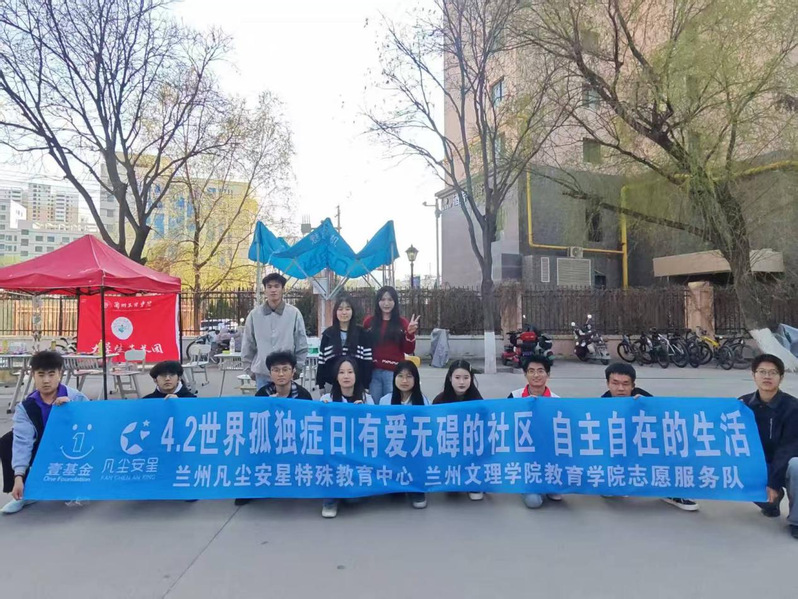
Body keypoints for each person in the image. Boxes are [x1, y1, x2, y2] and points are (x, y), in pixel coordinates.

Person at [602, 362, 699, 512]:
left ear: (633, 386)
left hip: (644, 445)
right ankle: (611, 482)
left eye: (625, 384)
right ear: (608, 384)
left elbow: (666, 421)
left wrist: (649, 407)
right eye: (615, 383)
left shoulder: (643, 398)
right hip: (618, 450)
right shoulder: (601, 404)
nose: (620, 388)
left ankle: (671, 490)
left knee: (675, 442)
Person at [1, 351, 89, 515]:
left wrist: (73, 409)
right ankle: (24, 492)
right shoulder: (27, 407)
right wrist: (18, 476)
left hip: (72, 445)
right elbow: (22, 441)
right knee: (8, 440)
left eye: (51, 374)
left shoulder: (76, 397)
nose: (46, 380)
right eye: (41, 375)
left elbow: (93, 425)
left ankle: (79, 484)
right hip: (45, 445)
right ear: (33, 375)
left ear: (60, 374)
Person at [236, 351, 312, 507]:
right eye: (276, 370)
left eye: (285, 369)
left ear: (293, 372)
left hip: (295, 440)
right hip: (269, 440)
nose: (281, 374)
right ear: (270, 374)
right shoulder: (263, 394)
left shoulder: (303, 395)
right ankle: (250, 488)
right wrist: (267, 407)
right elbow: (254, 424)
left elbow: (310, 423)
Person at [739, 354, 798, 540]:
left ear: (781, 377)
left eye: (773, 372)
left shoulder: (793, 407)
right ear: (753, 375)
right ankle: (771, 504)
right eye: (762, 372)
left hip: (785, 463)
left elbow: (788, 448)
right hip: (759, 464)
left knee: (797, 466)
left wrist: (773, 482)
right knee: (739, 468)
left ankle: (796, 521)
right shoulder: (742, 404)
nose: (767, 376)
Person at [318, 356, 374, 518]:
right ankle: (330, 499)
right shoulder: (326, 400)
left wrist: (364, 414)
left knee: (353, 500)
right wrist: (324, 413)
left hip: (357, 454)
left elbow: (374, 433)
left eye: (350, 372)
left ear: (356, 375)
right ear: (336, 376)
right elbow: (318, 430)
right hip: (334, 453)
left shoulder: (367, 399)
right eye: (341, 372)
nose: (346, 376)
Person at [508, 355, 562, 509]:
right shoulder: (515, 397)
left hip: (548, 458)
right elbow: (507, 426)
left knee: (558, 494)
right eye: (531, 371)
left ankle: (548, 483)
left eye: (540, 371)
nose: (536, 375)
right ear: (525, 374)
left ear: (548, 374)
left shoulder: (557, 401)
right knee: (534, 502)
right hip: (524, 458)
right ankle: (524, 485)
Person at [242, 272, 308, 392]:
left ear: (283, 289)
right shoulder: (254, 315)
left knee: (286, 404)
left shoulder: (294, 313)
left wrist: (297, 368)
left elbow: (301, 343)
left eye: (277, 286)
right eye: (269, 286)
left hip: (286, 374)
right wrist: (249, 370)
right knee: (263, 404)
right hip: (262, 373)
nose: (273, 290)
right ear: (265, 290)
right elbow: (248, 343)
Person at [379, 360, 429, 509]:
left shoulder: (424, 402)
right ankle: (395, 483)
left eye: (409, 376)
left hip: (415, 450)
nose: (404, 381)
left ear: (416, 379)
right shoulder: (385, 401)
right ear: (394, 378)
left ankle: (416, 488)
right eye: (400, 376)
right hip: (392, 449)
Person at [433, 360, 484, 501]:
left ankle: (474, 481)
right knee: (452, 492)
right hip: (449, 447)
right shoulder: (439, 401)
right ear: (450, 378)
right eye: (457, 377)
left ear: (471, 379)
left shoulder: (478, 401)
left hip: (471, 448)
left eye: (466, 377)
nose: (462, 382)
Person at [363, 286, 419, 400]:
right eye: (383, 299)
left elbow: (408, 349)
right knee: (375, 405)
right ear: (378, 302)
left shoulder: (402, 323)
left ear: (395, 302)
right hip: (373, 372)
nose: (386, 303)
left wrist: (410, 334)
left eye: (390, 299)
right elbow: (364, 346)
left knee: (392, 403)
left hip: (394, 372)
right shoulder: (369, 322)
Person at [316, 296, 372, 391]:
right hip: (332, 385)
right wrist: (320, 384)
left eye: (347, 309)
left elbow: (367, 362)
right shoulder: (328, 334)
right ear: (335, 312)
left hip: (357, 385)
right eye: (340, 309)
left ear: (352, 311)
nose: (344, 312)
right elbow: (321, 361)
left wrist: (366, 385)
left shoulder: (362, 334)